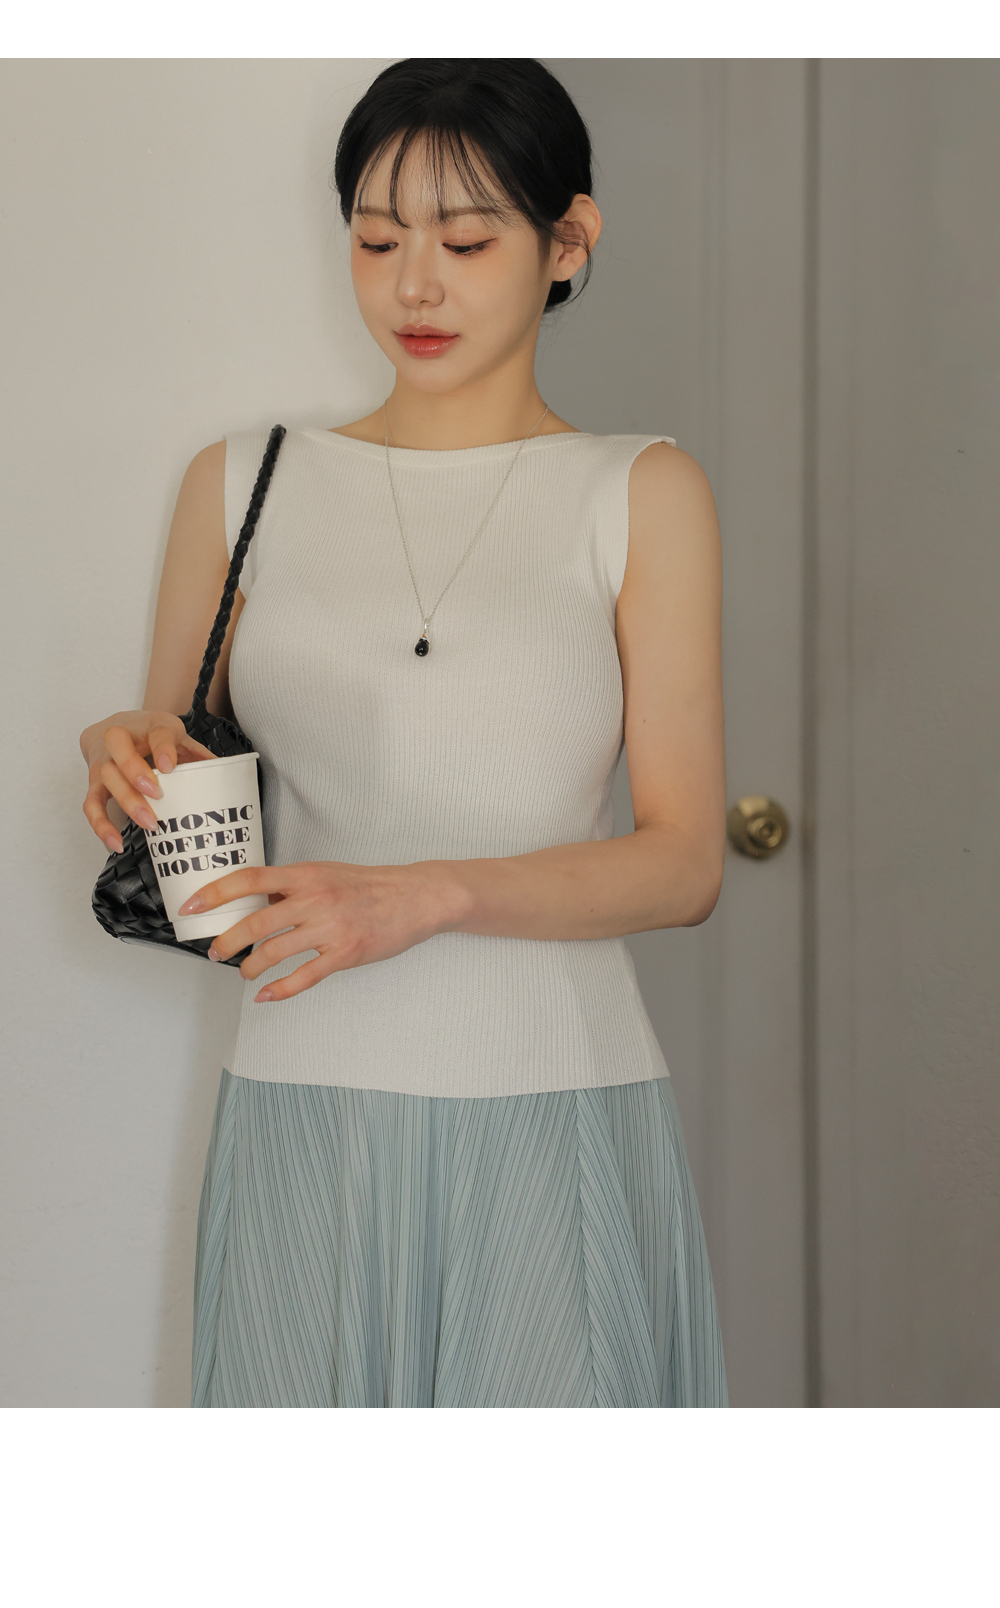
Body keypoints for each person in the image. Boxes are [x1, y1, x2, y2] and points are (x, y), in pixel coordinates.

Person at [79, 58, 729, 1408]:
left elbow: (682, 864)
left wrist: (428, 896)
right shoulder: (240, 484)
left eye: (466, 242)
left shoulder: (641, 491)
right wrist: (132, 758)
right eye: (377, 242)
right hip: (301, 1103)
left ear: (569, 241)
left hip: (556, 1104)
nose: (413, 287)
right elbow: (198, 812)